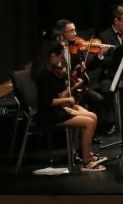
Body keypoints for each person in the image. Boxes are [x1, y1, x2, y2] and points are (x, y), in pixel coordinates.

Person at [32, 41, 107, 171]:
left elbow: (58, 95)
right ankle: (86, 161)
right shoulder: (44, 75)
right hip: (49, 114)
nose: (62, 60)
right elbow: (46, 102)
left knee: (93, 116)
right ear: (52, 56)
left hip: (58, 108)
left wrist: (71, 88)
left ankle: (84, 153)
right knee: (88, 122)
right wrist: (67, 99)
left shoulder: (52, 71)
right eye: (60, 56)